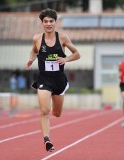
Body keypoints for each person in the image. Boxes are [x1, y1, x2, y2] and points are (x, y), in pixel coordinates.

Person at [26, 8, 80, 152]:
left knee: (56, 113)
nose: (48, 24)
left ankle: (52, 108)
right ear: (42, 23)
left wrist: (66, 59)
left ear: (55, 23)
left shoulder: (63, 38)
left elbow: (77, 54)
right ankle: (47, 140)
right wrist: (31, 59)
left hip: (59, 81)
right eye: (45, 21)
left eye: (51, 21)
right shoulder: (37, 38)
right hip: (44, 79)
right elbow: (34, 50)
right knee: (44, 111)